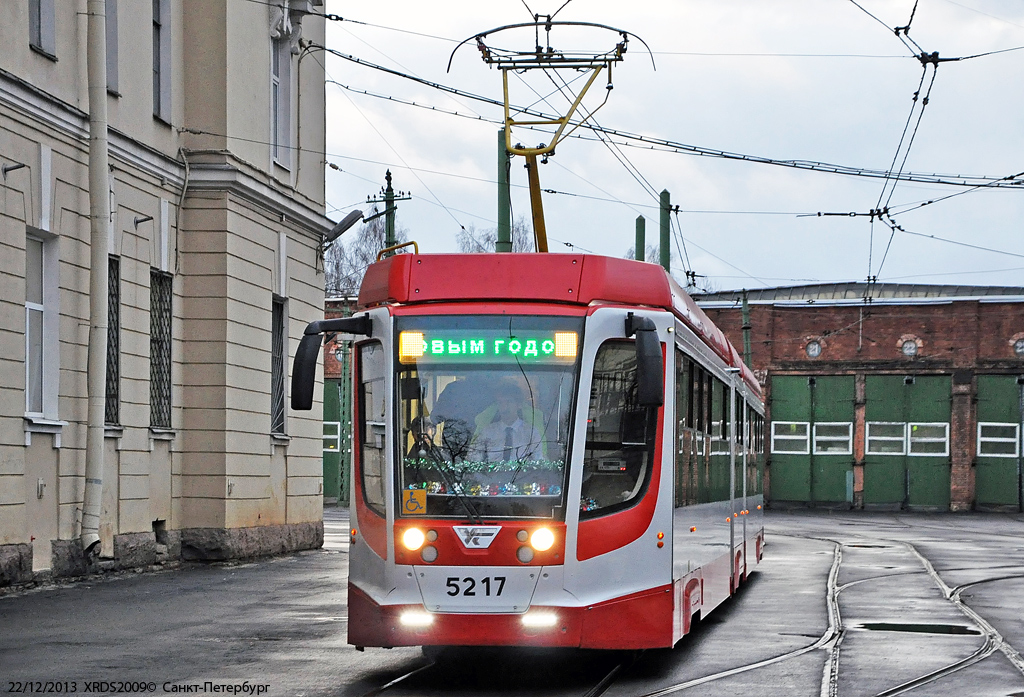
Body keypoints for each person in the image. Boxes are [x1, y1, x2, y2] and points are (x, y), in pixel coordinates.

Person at [470, 379, 542, 462]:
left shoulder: (531, 432)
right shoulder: (487, 432)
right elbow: (474, 459)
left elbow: (538, 461)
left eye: (508, 402)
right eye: (500, 403)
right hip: (491, 475)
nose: (504, 407)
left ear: (519, 405)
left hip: (522, 474)